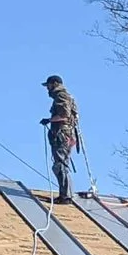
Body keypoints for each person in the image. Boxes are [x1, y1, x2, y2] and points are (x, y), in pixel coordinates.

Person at [41, 74, 83, 202]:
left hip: (62, 134)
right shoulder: (68, 97)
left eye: (48, 85)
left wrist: (49, 120)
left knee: (60, 164)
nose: (47, 88)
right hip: (67, 134)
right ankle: (66, 194)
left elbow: (64, 115)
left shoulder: (61, 95)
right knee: (62, 163)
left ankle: (65, 196)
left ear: (54, 83)